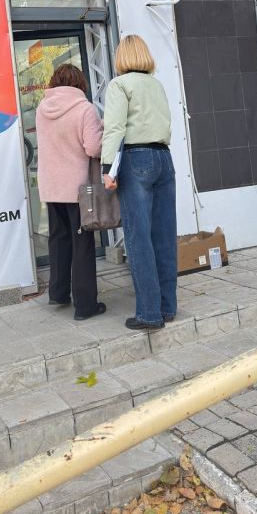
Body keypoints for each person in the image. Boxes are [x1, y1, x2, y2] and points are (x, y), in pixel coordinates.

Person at [102, 34, 176, 330]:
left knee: (138, 238)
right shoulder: (156, 85)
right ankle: (167, 308)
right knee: (164, 237)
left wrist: (108, 169)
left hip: (136, 159)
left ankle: (148, 313)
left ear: (121, 57)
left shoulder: (119, 85)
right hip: (164, 158)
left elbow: (115, 128)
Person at [36, 63, 106, 321]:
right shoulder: (84, 109)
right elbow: (93, 148)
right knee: (82, 244)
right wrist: (102, 129)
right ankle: (85, 305)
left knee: (58, 239)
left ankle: (59, 293)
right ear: (80, 83)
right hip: (76, 190)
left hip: (50, 187)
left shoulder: (42, 109)